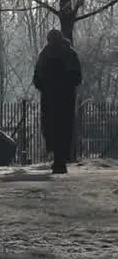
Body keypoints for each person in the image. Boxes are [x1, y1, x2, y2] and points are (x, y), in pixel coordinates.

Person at [33, 28, 82, 174]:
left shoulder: (51, 53)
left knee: (55, 128)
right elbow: (77, 77)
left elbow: (37, 75)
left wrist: (44, 86)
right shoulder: (65, 53)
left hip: (55, 97)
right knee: (59, 128)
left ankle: (59, 159)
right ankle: (60, 158)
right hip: (60, 97)